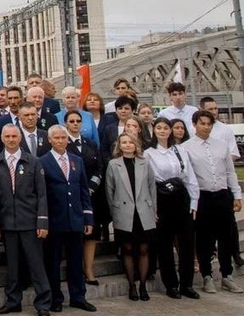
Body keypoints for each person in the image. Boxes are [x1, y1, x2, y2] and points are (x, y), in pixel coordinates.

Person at [0, 124, 52, 316]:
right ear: (1, 138)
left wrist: (42, 222)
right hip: (7, 222)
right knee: (13, 265)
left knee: (36, 265)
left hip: (30, 222)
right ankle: (13, 301)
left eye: (14, 136)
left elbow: (42, 194)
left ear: (19, 138)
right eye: (7, 136)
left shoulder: (33, 161)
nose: (10, 139)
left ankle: (43, 303)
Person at [180, 110, 243, 294]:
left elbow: (230, 172)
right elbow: (187, 177)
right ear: (195, 124)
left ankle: (227, 276)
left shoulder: (221, 145)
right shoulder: (186, 148)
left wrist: (237, 195)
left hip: (222, 195)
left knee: (226, 236)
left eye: (209, 124)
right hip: (202, 197)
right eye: (202, 123)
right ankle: (207, 275)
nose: (206, 127)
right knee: (204, 238)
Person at [41, 125, 97, 313]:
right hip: (55, 220)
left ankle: (78, 296)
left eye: (63, 138)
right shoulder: (42, 161)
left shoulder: (76, 161)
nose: (60, 141)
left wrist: (88, 218)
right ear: (50, 140)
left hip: (75, 219)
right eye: (56, 138)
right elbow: (41, 195)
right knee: (53, 262)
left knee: (75, 260)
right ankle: (55, 297)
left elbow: (83, 190)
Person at [147, 116, 200, 299]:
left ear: (171, 131)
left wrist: (194, 202)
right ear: (154, 130)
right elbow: (149, 183)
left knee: (186, 243)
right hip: (162, 199)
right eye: (159, 128)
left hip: (181, 198)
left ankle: (187, 284)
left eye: (166, 128)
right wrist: (152, 209)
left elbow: (190, 177)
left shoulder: (180, 150)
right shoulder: (149, 153)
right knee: (165, 245)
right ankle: (171, 284)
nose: (163, 131)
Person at [104, 126, 157, 301]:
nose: (127, 145)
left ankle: (142, 285)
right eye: (124, 142)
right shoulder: (113, 164)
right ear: (119, 145)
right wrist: (114, 212)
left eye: (130, 143)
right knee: (127, 248)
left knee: (143, 248)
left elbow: (152, 188)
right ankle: (131, 285)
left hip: (143, 211)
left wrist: (153, 210)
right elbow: (109, 190)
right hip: (124, 212)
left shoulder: (145, 163)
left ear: (136, 145)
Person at [62, 110, 105, 286]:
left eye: (78, 121)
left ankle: (88, 268)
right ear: (66, 124)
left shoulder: (90, 143)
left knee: (91, 234)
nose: (75, 124)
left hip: (90, 195)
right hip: (70, 195)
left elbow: (99, 168)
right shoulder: (62, 144)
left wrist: (91, 187)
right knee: (73, 234)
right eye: (71, 121)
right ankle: (72, 269)